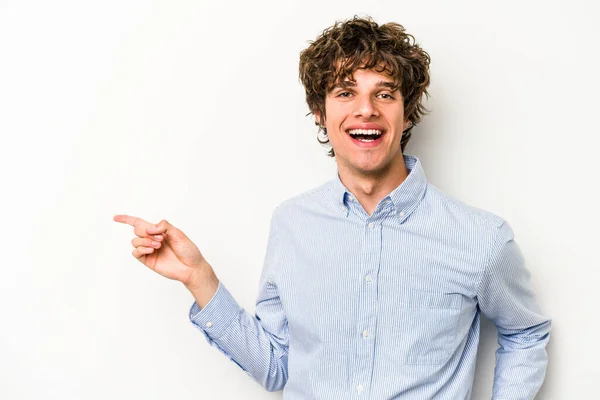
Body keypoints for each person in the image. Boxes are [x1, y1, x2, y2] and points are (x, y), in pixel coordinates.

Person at [114, 16, 551, 399]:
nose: (366, 110)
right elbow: (276, 368)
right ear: (320, 111)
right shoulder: (292, 223)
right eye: (345, 92)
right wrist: (199, 279)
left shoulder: (480, 238)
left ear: (407, 111)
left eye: (385, 94)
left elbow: (526, 332)